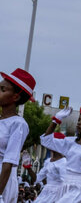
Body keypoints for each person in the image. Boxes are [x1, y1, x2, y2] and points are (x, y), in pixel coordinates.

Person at [0, 68, 36, 203]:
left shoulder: (18, 123)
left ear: (15, 97)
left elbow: (8, 162)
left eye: (3, 90)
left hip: (3, 179)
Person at [33, 132, 67, 203]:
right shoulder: (48, 161)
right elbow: (37, 178)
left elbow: (65, 183)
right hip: (46, 192)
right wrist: (28, 167)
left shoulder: (63, 162)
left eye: (51, 142)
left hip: (57, 194)